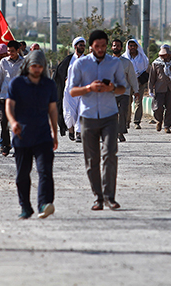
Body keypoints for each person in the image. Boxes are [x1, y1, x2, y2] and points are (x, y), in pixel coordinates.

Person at [68, 30, 126, 211]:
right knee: (91, 159)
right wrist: (89, 88)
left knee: (110, 154)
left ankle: (110, 196)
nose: (100, 49)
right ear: (91, 46)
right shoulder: (81, 64)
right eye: (97, 46)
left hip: (109, 116)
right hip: (88, 116)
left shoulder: (114, 63)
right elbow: (72, 91)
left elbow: (122, 88)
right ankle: (98, 197)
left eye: (103, 46)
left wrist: (112, 88)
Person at [5, 50, 58, 220]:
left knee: (45, 172)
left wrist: (55, 133)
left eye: (40, 66)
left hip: (43, 136)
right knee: (22, 174)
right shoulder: (17, 84)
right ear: (28, 66)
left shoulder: (49, 85)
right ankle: (25, 207)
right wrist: (13, 122)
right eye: (34, 66)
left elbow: (53, 110)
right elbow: (9, 105)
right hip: (22, 137)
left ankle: (44, 204)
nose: (37, 69)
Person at [0, 40, 24, 156]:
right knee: (3, 121)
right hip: (4, 97)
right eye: (8, 51)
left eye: (12, 51)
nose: (10, 53)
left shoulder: (24, 62)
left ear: (17, 50)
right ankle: (6, 145)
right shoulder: (3, 62)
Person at [52, 36, 86, 139]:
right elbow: (59, 74)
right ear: (75, 46)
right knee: (69, 112)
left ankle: (79, 133)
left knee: (82, 111)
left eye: (84, 45)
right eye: (80, 45)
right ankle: (71, 130)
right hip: (69, 90)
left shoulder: (87, 59)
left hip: (83, 89)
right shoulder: (68, 60)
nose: (82, 47)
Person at [148, 44, 171, 134]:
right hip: (159, 89)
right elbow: (152, 77)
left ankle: (167, 126)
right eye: (163, 55)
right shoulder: (156, 63)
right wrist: (150, 89)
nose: (165, 57)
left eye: (166, 55)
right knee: (158, 107)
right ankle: (159, 120)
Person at [111, 38, 139, 142]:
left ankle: (120, 132)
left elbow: (132, 77)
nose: (116, 47)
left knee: (123, 112)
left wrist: (136, 91)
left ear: (121, 48)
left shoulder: (127, 63)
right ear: (111, 47)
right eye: (114, 45)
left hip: (124, 92)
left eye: (118, 46)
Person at [122, 39, 149, 130]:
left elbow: (146, 69)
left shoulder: (143, 58)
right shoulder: (124, 57)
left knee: (138, 102)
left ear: (137, 46)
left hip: (139, 82)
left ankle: (137, 121)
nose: (132, 47)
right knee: (127, 102)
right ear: (128, 47)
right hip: (127, 83)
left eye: (134, 46)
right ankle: (126, 121)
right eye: (131, 46)